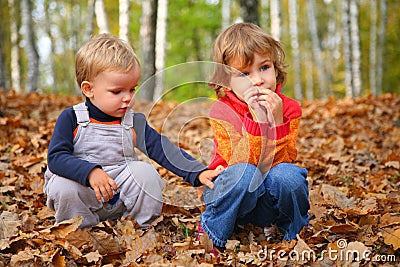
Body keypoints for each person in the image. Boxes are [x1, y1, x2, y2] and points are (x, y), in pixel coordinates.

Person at [44, 33, 223, 228]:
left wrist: (197, 172)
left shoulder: (132, 122)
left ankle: (141, 226)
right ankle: (79, 231)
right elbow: (56, 158)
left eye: (132, 89)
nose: (128, 98)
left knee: (145, 173)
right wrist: (90, 172)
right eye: (117, 91)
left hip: (120, 196)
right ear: (88, 89)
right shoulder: (72, 118)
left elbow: (163, 150)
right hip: (83, 195)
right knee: (63, 186)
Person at [198, 22, 310, 249]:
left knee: (289, 176)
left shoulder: (288, 108)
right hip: (232, 198)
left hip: (267, 200)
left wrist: (277, 122)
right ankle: (212, 236)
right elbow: (240, 164)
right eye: (244, 74)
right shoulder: (222, 111)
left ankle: (293, 236)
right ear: (226, 81)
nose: (258, 80)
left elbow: (285, 160)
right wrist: (258, 122)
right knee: (245, 173)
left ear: (276, 69)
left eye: (264, 67)